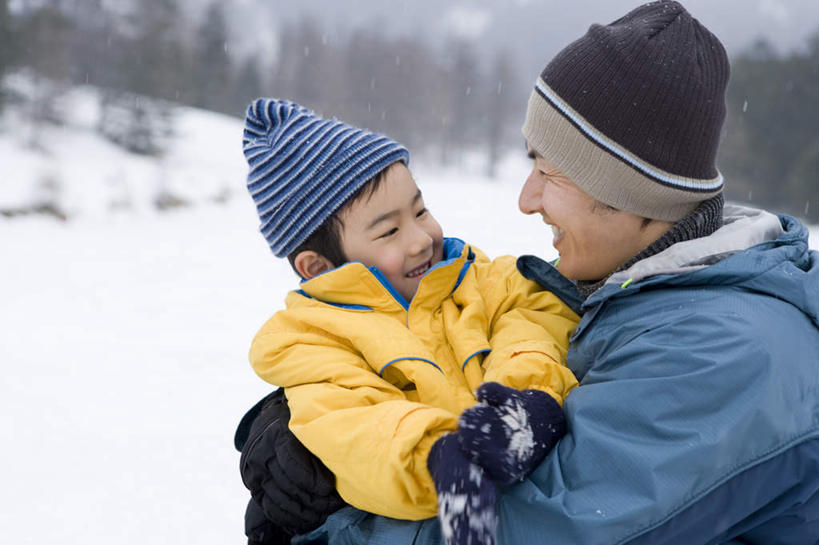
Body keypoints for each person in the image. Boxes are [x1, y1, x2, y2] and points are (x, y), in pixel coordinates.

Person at [282, 1, 819, 543]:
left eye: (549, 171)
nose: (525, 198)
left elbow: (520, 530)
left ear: (630, 193)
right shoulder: (640, 296)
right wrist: (333, 425)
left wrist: (328, 524)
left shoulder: (720, 353)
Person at [237, 98, 582, 545]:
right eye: (388, 231)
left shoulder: (483, 279)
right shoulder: (311, 344)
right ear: (318, 267)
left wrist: (523, 399)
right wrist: (442, 460)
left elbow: (536, 316)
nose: (421, 239)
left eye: (419, 211)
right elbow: (354, 434)